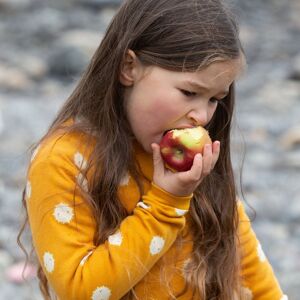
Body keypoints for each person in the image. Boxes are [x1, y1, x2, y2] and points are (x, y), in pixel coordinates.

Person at [18, 0, 288, 299]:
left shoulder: (193, 165)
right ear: (128, 67)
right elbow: (79, 290)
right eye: (189, 92)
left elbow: (254, 276)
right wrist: (166, 204)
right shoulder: (63, 160)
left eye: (214, 99)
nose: (202, 116)